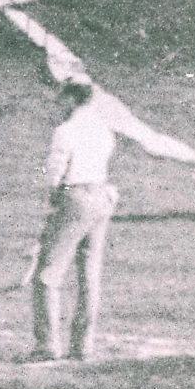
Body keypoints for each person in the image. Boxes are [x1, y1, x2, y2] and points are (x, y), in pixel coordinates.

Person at [31, 77, 121, 362]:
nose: (59, 102)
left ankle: (47, 345)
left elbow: (56, 172)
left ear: (72, 98)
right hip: (102, 195)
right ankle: (83, 346)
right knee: (89, 273)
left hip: (77, 196)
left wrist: (54, 197)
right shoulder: (104, 130)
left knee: (47, 275)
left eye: (63, 97)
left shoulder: (65, 131)